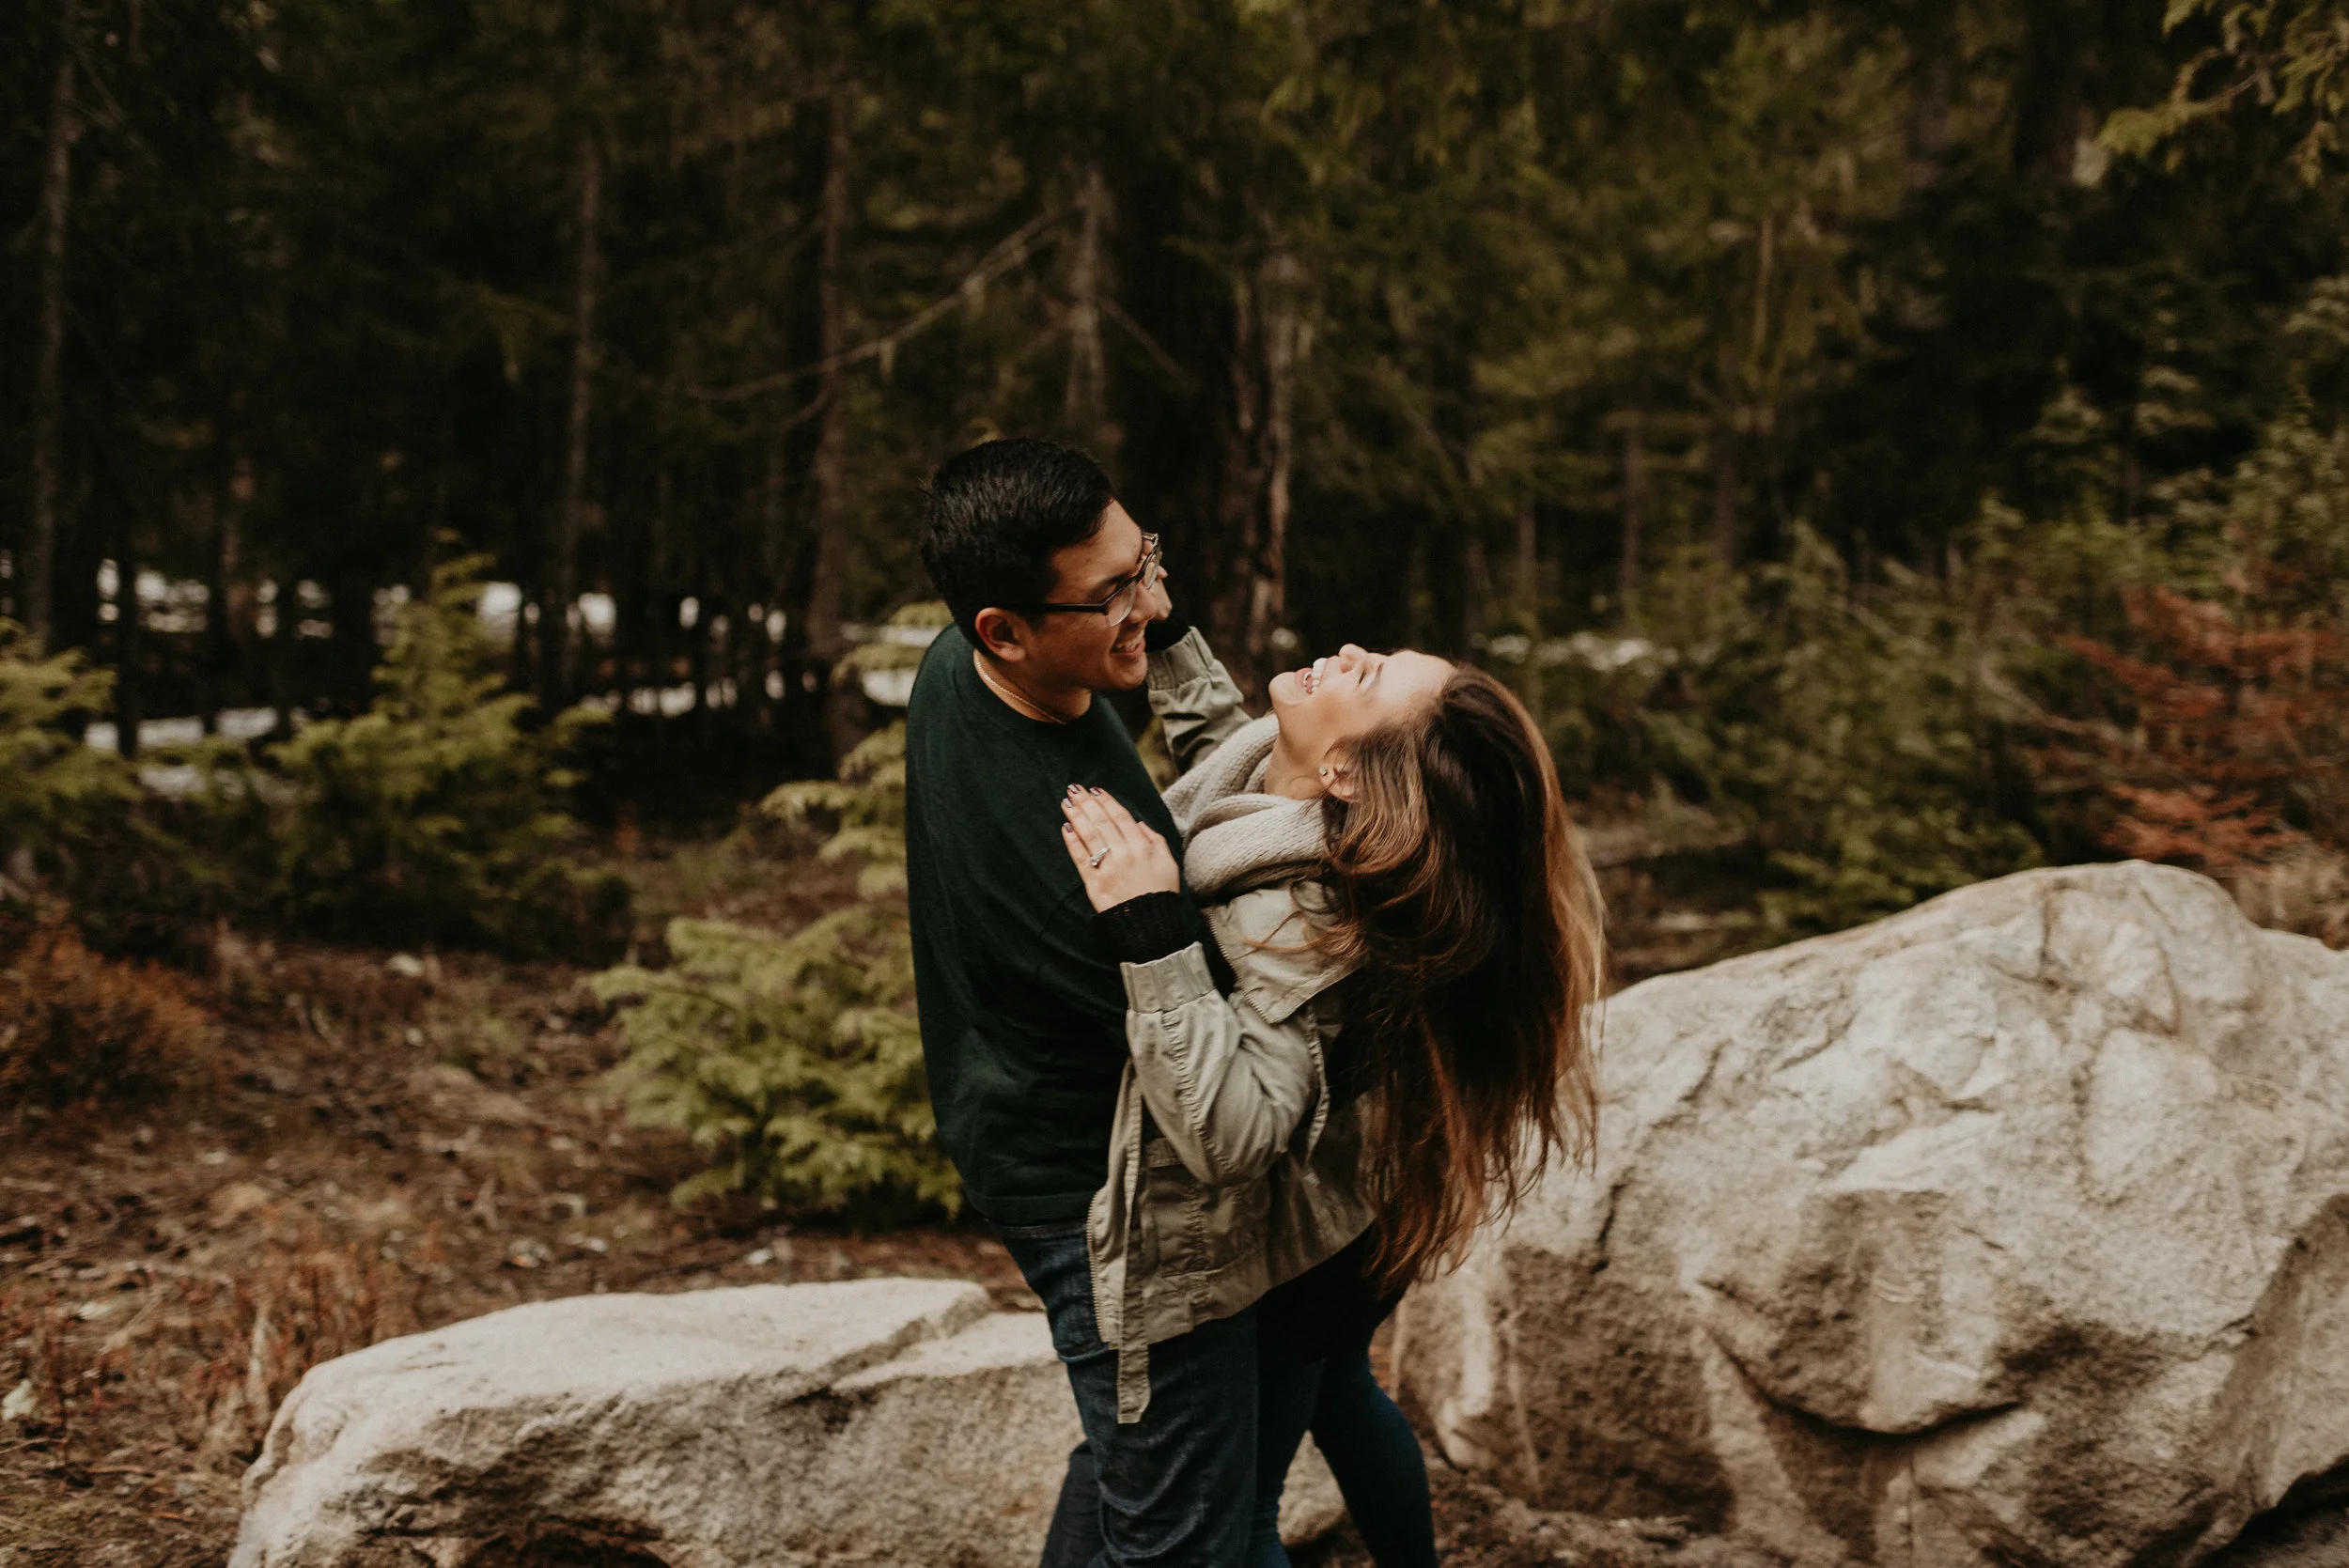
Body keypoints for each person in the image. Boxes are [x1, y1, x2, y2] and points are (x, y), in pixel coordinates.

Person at [1058, 629, 1608, 1567]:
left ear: (1349, 767)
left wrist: (1153, 932)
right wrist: (1158, 626)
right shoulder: (1303, 810)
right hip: (1355, 1209)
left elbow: (1232, 1126)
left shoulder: (1308, 919)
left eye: (1367, 676)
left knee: (1240, 1503)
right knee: (1334, 1399)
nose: (1348, 648)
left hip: (1320, 1242)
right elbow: (1229, 756)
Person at [903, 437, 1256, 1567]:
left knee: (1132, 1463)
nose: (1149, 599)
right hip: (1107, 1195)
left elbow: (1130, 619)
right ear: (1003, 627)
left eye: (1143, 556)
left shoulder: (971, 661)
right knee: (1179, 1534)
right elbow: (1226, 1056)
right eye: (1114, 592)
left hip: (1054, 1135)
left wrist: (1144, 604)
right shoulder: (1066, 877)